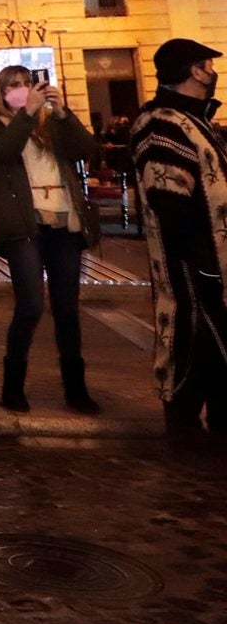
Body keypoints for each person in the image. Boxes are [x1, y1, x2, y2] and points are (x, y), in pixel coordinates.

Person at [0, 65, 101, 415]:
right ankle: (12, 387)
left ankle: (77, 390)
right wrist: (27, 113)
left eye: (28, 84)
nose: (23, 90)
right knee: (30, 306)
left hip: (64, 221)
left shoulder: (51, 125)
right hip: (23, 225)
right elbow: (2, 155)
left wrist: (61, 114)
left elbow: (85, 149)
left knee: (67, 308)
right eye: (13, 85)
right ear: (2, 91)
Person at [130, 38, 227, 440]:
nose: (212, 71)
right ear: (193, 71)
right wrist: (202, 262)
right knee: (193, 340)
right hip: (189, 265)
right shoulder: (161, 124)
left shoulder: (192, 119)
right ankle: (185, 427)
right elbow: (169, 199)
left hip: (212, 261)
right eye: (206, 64)